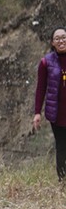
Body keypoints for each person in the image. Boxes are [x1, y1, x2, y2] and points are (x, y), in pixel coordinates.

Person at [32, 27, 66, 181]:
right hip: (57, 112)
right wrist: (37, 112)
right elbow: (41, 88)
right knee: (61, 146)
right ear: (52, 43)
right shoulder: (46, 62)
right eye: (57, 38)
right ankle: (62, 180)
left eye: (64, 37)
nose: (61, 41)